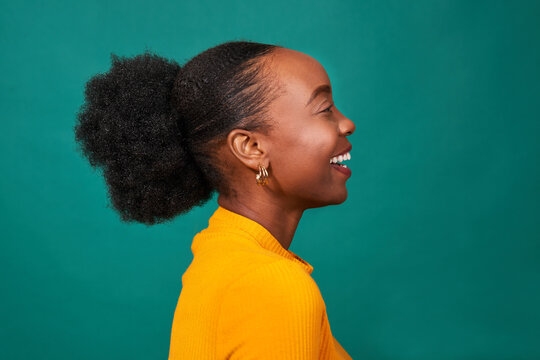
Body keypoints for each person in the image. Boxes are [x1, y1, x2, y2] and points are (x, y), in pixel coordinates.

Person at [74, 40, 355, 359]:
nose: (347, 123)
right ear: (251, 148)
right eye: (325, 109)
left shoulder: (219, 256)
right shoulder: (272, 286)